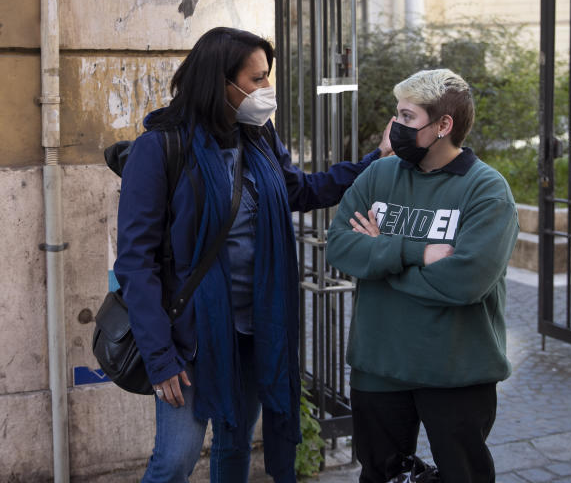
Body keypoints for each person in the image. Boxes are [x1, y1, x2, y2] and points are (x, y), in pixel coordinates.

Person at [114, 26, 392, 483]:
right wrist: (160, 355)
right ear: (218, 82)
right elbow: (135, 261)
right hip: (190, 336)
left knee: (236, 442)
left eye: (268, 76)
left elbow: (300, 189)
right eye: (256, 79)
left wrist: (373, 160)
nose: (267, 90)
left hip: (254, 327)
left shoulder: (258, 137)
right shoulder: (160, 149)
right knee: (175, 459)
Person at [325, 69, 519, 483]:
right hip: (378, 367)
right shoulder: (379, 175)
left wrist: (380, 262)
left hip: (455, 371)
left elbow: (464, 282)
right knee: (380, 476)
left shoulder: (486, 191)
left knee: (463, 475)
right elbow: (340, 247)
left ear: (443, 125)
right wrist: (416, 252)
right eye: (397, 115)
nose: (395, 127)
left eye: (407, 117)